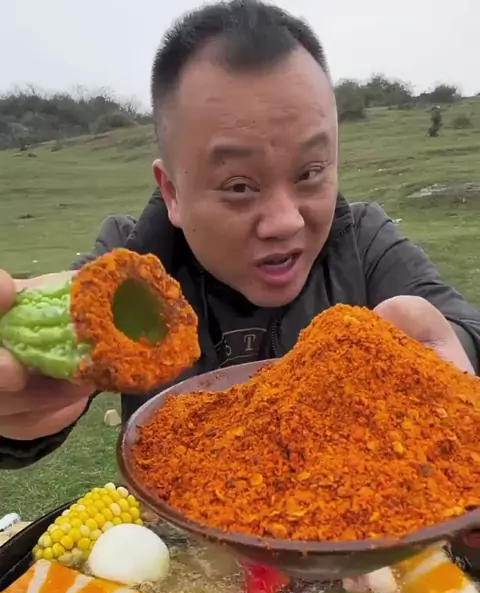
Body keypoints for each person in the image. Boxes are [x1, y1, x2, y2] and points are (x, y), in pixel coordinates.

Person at [0, 0, 479, 471]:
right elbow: (48, 363)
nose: (285, 221)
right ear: (172, 192)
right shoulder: (127, 271)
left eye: (311, 172)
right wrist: (21, 416)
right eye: (239, 186)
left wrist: (447, 351)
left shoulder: (365, 242)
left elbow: (464, 330)